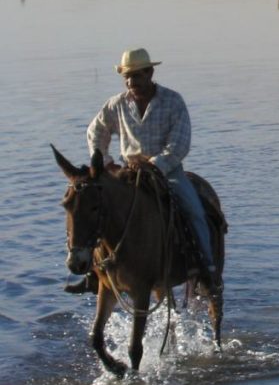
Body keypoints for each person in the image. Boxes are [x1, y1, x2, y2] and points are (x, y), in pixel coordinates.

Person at [65, 48, 221, 297]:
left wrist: (155, 163)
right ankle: (95, 274)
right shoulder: (116, 104)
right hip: (127, 172)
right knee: (94, 208)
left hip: (167, 171)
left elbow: (180, 143)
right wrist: (107, 163)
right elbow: (95, 132)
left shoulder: (172, 101)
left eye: (136, 75)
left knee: (195, 211)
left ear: (150, 73)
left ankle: (207, 269)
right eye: (127, 76)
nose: (131, 82)